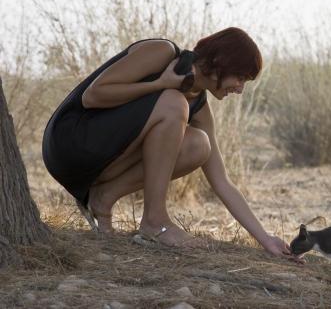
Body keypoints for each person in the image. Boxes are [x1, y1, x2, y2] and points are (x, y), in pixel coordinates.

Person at [42, 27, 295, 260]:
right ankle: (155, 221)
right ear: (220, 62)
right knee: (173, 102)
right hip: (69, 142)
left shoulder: (200, 108)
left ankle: (103, 198)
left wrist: (266, 240)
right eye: (239, 78)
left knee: (199, 145)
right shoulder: (162, 52)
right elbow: (92, 96)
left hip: (100, 159)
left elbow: (222, 181)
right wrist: (160, 84)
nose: (239, 89)